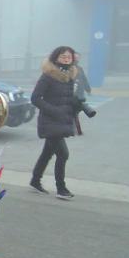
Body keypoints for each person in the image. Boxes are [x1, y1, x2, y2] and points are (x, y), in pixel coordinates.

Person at [29, 46, 95, 200]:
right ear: (56, 58)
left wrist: (79, 105)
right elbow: (35, 98)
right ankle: (61, 188)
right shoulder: (48, 76)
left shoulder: (69, 75)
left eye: (69, 56)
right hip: (50, 121)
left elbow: (67, 97)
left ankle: (35, 180)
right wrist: (54, 110)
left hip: (62, 120)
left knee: (48, 152)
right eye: (63, 56)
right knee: (63, 154)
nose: (66, 59)